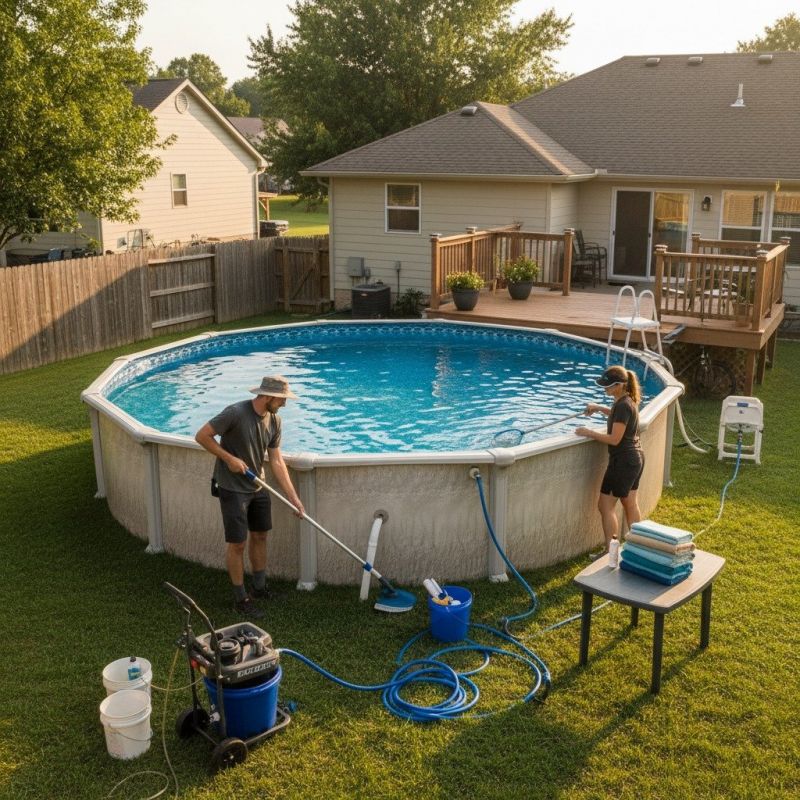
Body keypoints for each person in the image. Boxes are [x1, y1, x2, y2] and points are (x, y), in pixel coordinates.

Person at [195, 375, 305, 618]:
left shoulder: (275, 420)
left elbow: (276, 461)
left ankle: (259, 587)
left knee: (260, 535)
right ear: (266, 396)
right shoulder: (235, 413)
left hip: (258, 486)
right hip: (232, 487)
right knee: (238, 543)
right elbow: (202, 436)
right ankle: (240, 598)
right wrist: (229, 459)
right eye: (281, 399)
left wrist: (294, 498)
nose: (284, 404)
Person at [575, 365, 644, 560]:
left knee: (605, 506)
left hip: (622, 462)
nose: (604, 388)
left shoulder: (622, 405)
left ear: (620, 385)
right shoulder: (626, 401)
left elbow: (614, 439)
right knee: (630, 504)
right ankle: (641, 547)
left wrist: (589, 433)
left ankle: (610, 552)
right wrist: (598, 408)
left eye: (608, 386)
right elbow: (616, 415)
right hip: (636, 458)